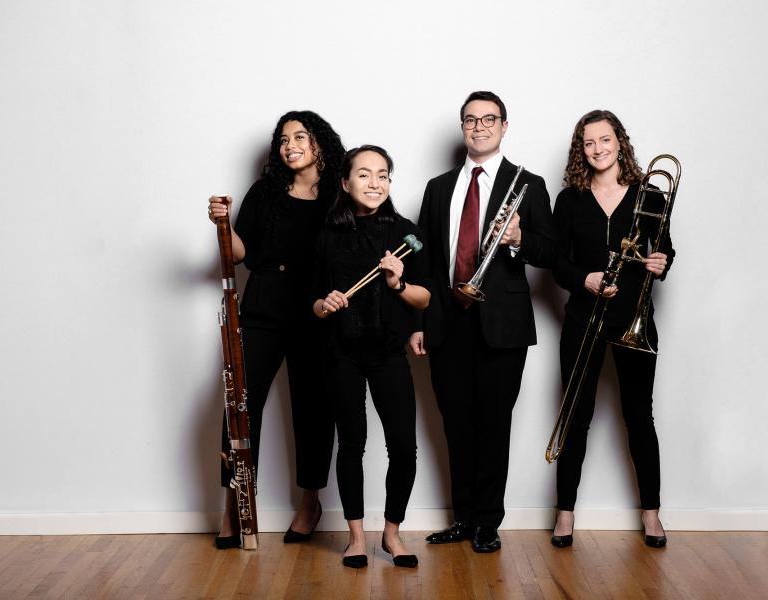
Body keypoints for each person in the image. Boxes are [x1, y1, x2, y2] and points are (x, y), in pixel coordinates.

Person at [412, 91, 555, 553]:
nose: (479, 127)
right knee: (455, 422)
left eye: (488, 119)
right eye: (471, 120)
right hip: (447, 320)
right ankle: (464, 517)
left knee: (494, 423)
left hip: (502, 323)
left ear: (504, 126)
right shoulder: (438, 187)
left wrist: (518, 239)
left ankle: (488, 522)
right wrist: (418, 322)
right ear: (462, 128)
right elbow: (426, 262)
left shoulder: (527, 184)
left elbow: (550, 251)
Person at [207, 110, 344, 549]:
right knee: (240, 407)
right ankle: (236, 505)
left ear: (319, 142)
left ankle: (310, 504)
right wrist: (224, 226)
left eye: (299, 136)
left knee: (315, 408)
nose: (290, 145)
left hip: (317, 314)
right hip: (264, 308)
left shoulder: (338, 196)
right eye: (283, 139)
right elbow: (242, 252)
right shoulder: (264, 192)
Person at [549, 109, 674, 549]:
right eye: (589, 143)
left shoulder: (651, 197)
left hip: (633, 321)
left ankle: (652, 515)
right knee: (575, 419)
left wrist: (661, 264)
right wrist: (583, 278)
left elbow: (665, 253)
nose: (598, 149)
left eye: (605, 140)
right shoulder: (569, 200)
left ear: (619, 142)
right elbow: (556, 262)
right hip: (584, 320)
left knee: (639, 417)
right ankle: (564, 514)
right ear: (580, 150)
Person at [313, 145, 430, 569]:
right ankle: (357, 537)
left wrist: (399, 283)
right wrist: (324, 304)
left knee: (404, 447)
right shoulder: (327, 235)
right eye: (364, 174)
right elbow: (312, 303)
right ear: (345, 183)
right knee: (352, 444)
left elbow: (426, 295)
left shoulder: (406, 233)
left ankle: (392, 533)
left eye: (383, 174)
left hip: (388, 352)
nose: (374, 183)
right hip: (341, 352)